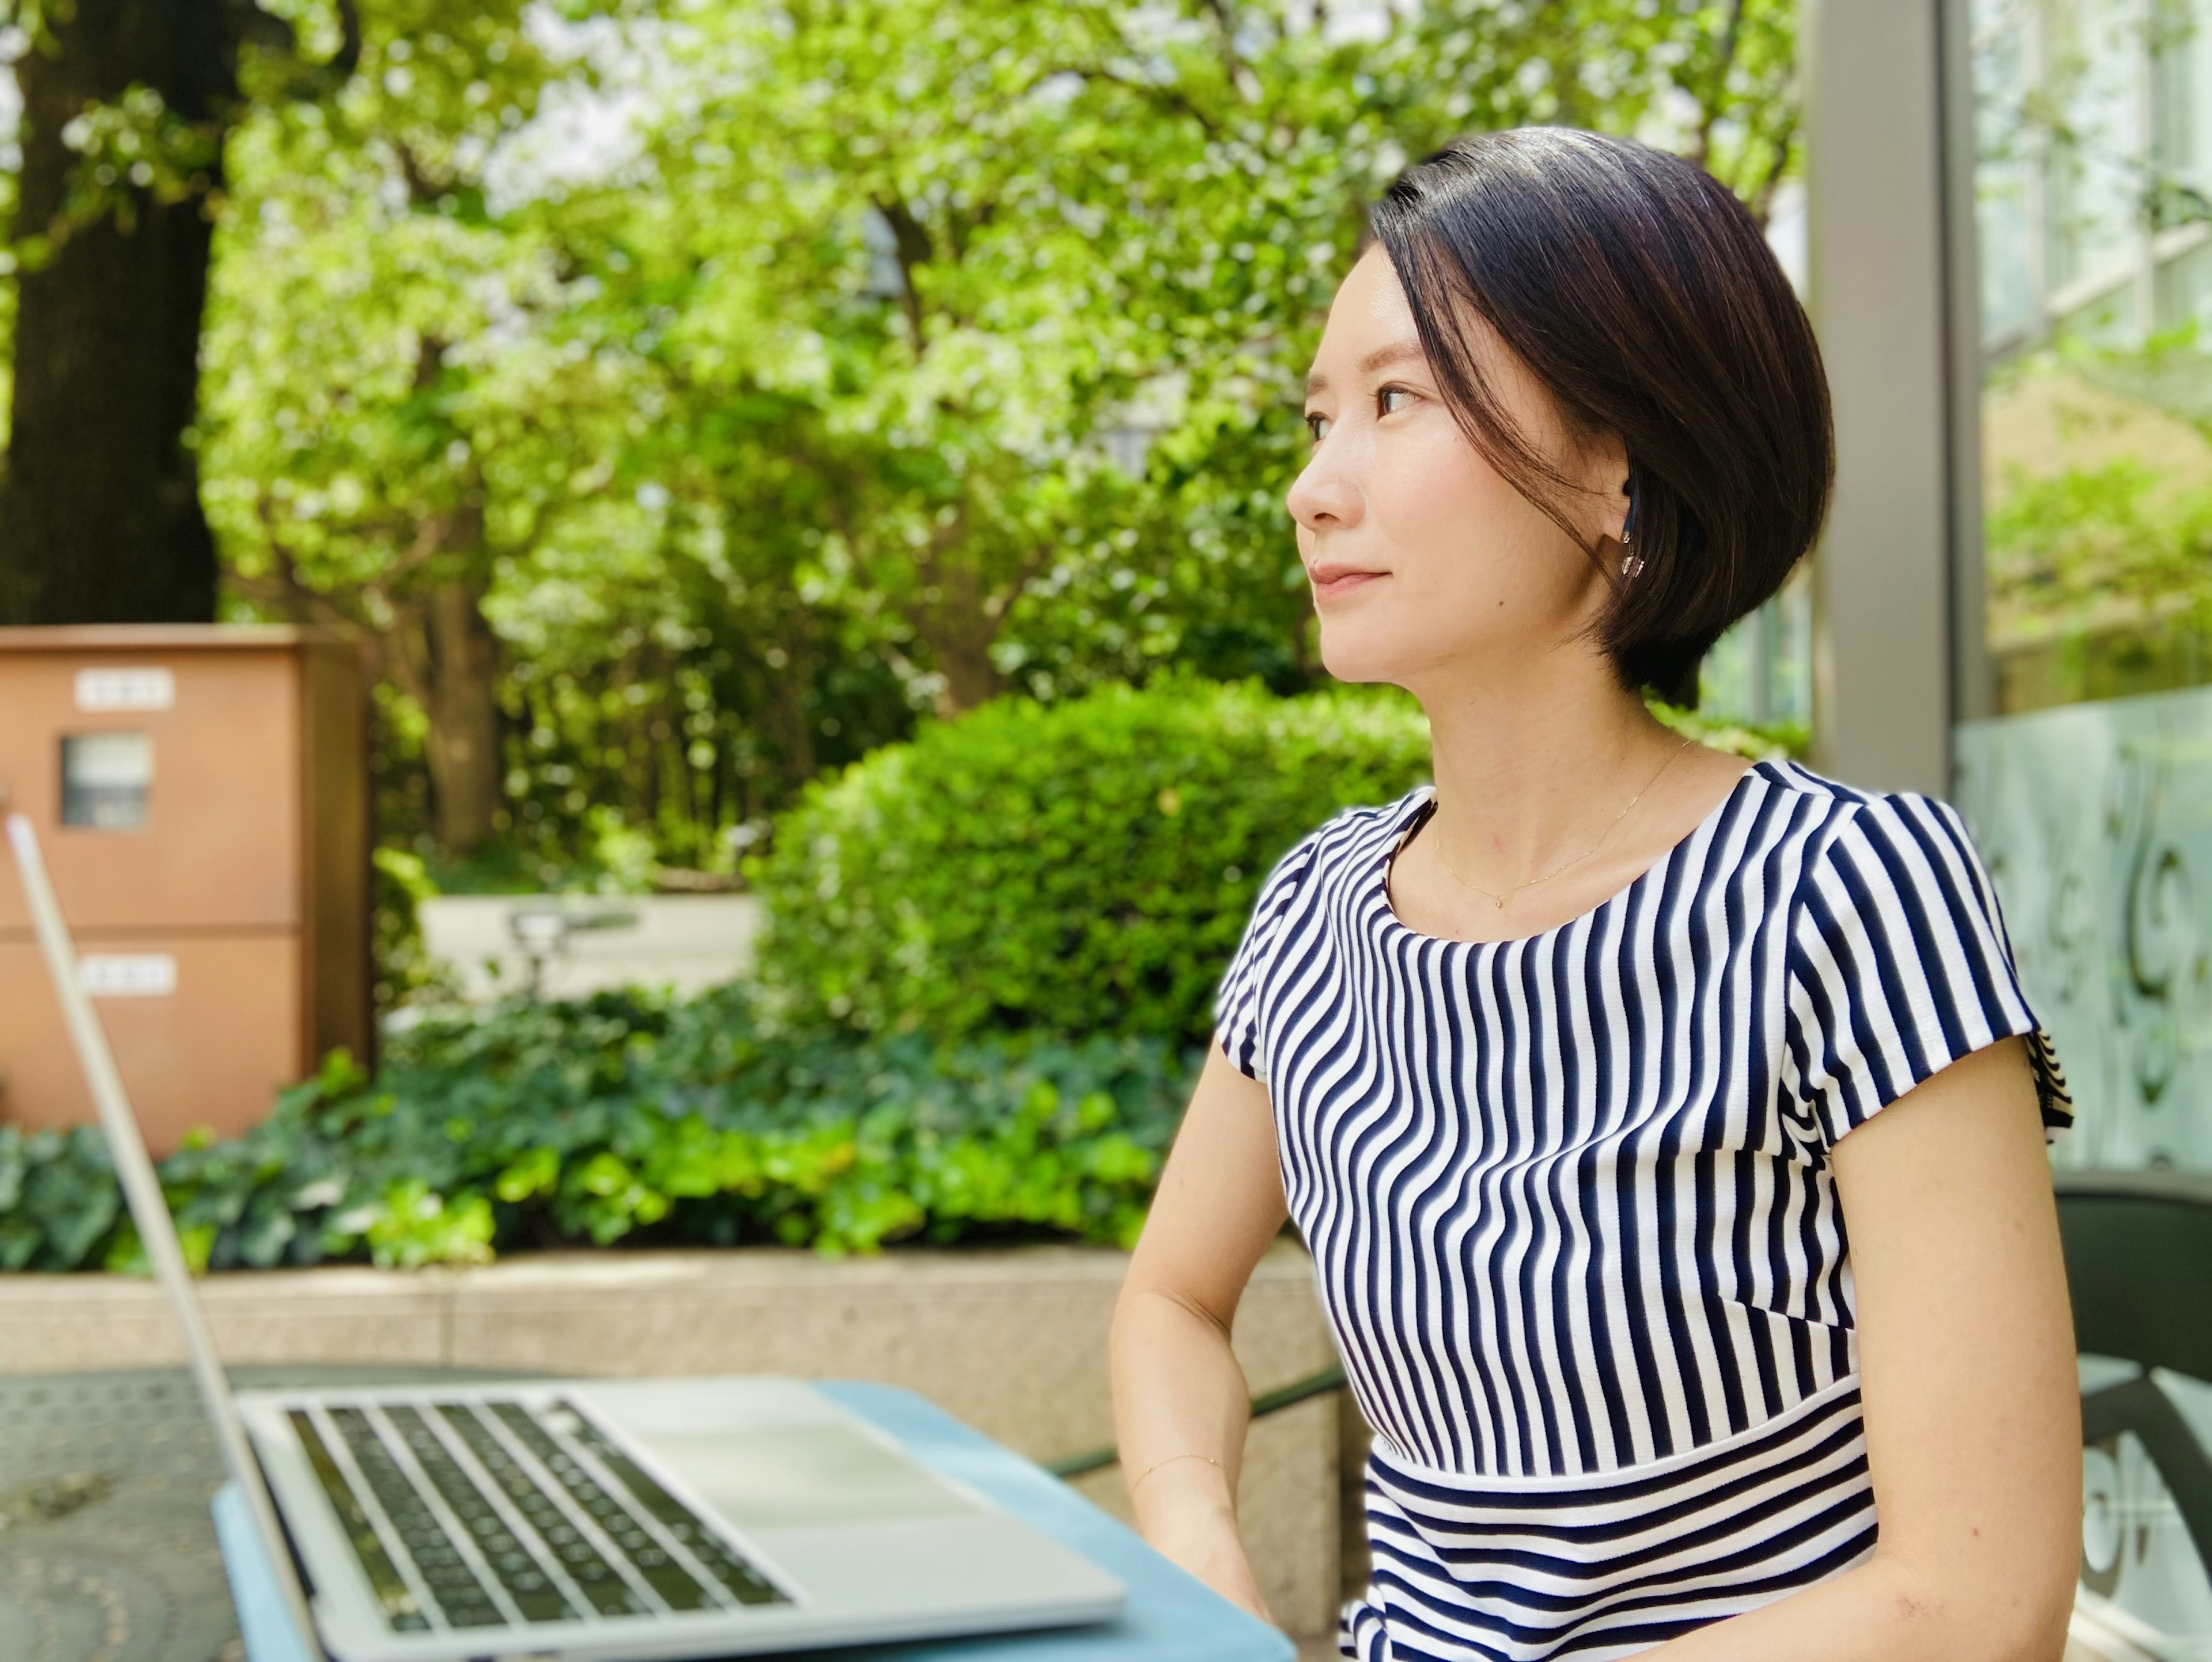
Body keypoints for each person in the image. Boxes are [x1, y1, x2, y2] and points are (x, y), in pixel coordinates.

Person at [1108, 129, 2081, 1662]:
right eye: (1314, 420)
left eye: (1396, 402)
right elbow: (1170, 1300)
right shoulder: (1317, 914)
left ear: (1618, 462)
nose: (1313, 487)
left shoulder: (1843, 896)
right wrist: (1199, 1555)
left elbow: (1980, 1601)